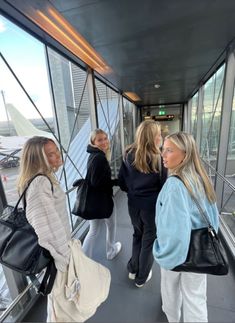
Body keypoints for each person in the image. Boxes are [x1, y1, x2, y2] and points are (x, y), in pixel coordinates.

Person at [153, 132, 219, 322]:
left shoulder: (175, 185)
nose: (163, 155)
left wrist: (163, 253)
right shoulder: (200, 177)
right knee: (196, 299)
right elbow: (213, 218)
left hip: (177, 253)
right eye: (163, 150)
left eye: (169, 150)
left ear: (185, 154)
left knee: (171, 294)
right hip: (200, 252)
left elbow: (174, 230)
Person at [17, 136, 71, 322]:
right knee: (60, 303)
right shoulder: (40, 184)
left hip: (55, 254)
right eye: (51, 154)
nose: (58, 156)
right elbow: (49, 230)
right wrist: (66, 261)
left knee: (58, 303)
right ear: (37, 159)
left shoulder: (40, 179)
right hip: (57, 256)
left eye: (56, 151)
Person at [118, 120, 167, 287]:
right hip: (151, 207)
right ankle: (141, 277)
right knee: (149, 239)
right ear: (152, 137)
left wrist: (133, 192)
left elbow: (122, 182)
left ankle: (133, 269)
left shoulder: (127, 153)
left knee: (137, 234)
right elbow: (164, 186)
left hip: (133, 204)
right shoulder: (159, 158)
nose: (161, 137)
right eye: (158, 134)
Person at [82, 129, 122, 260]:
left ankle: (83, 259)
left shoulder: (93, 155)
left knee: (93, 231)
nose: (104, 142)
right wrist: (115, 182)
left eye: (105, 138)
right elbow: (97, 182)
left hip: (94, 200)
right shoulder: (99, 157)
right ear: (93, 142)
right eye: (100, 140)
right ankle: (110, 251)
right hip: (103, 200)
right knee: (111, 225)